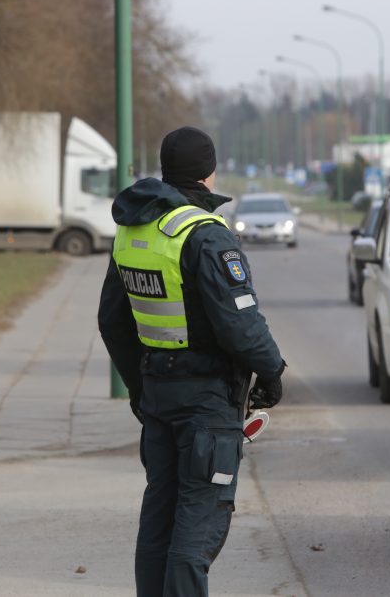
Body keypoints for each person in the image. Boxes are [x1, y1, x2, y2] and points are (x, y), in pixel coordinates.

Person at [98, 126, 285, 597]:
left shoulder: (134, 229)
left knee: (159, 520)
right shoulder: (202, 235)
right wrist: (272, 370)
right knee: (197, 524)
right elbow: (240, 325)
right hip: (207, 401)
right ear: (209, 171)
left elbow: (111, 321)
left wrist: (139, 387)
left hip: (158, 394)